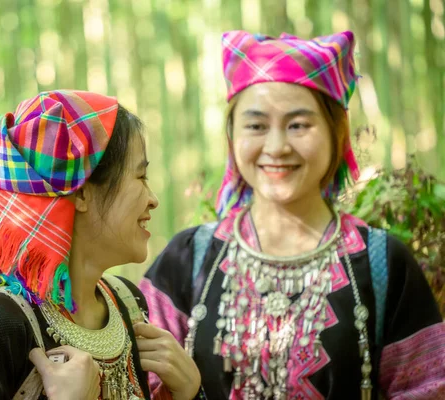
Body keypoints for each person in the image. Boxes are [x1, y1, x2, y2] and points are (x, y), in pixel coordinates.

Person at [140, 31, 445, 399]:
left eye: (298, 125)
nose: (277, 146)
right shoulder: (186, 260)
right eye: (255, 126)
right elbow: (136, 384)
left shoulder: (383, 264)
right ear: (231, 136)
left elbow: (428, 390)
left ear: (337, 132)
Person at [0, 90, 201, 400]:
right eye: (140, 176)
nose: (153, 199)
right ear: (82, 192)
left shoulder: (128, 303)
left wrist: (188, 392)